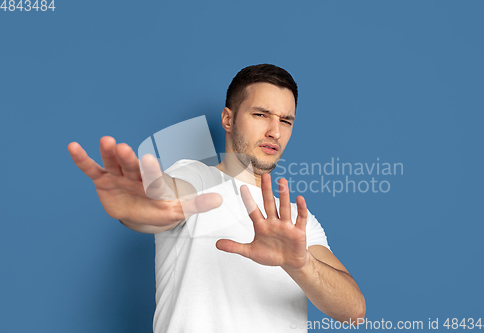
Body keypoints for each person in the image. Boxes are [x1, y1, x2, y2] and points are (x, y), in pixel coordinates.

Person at [68, 64, 366, 332]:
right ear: (228, 118)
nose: (274, 131)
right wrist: (143, 206)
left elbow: (354, 312)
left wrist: (300, 265)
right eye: (261, 114)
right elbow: (167, 198)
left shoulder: (295, 221)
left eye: (286, 121)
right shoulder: (195, 178)